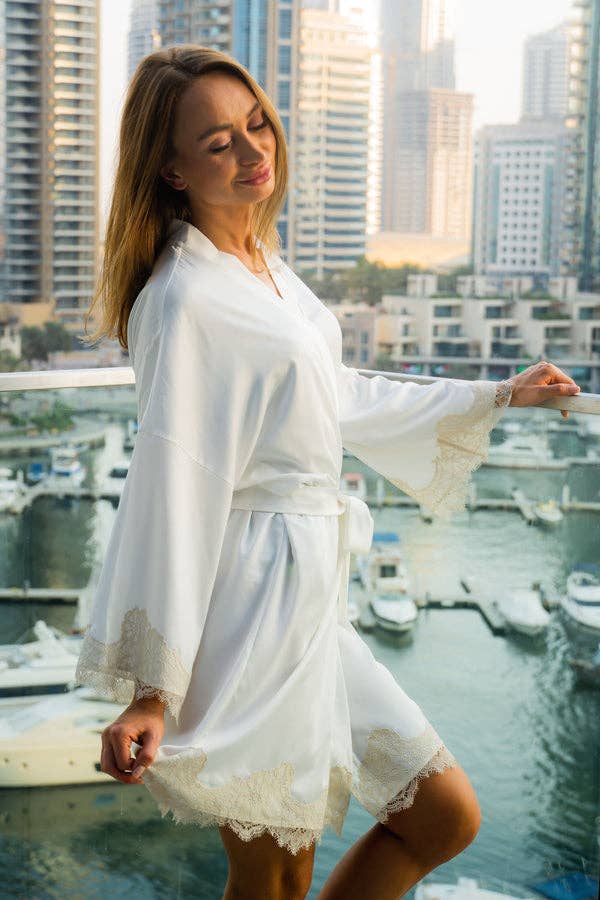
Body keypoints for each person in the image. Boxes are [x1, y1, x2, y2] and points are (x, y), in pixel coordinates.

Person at [76, 45, 581, 900]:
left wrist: (499, 395)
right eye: (219, 143)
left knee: (442, 817)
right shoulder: (185, 298)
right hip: (249, 611)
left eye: (256, 124)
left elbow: (337, 396)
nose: (252, 149)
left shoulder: (263, 270)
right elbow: (173, 485)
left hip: (309, 602)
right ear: (170, 170)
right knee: (277, 877)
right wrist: (152, 691)